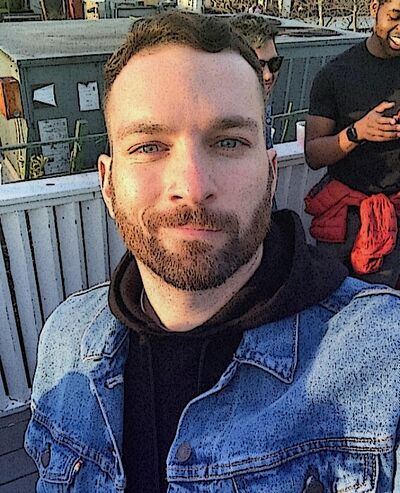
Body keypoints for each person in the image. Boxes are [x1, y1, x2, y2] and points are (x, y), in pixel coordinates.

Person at [24, 11, 400, 493]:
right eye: (148, 146)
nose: (194, 186)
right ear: (108, 183)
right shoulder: (64, 340)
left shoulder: (380, 355)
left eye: (228, 142)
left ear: (270, 175)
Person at [305, 0, 400, 287]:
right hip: (340, 217)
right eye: (395, 15)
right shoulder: (336, 73)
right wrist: (358, 132)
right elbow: (313, 154)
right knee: (329, 298)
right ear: (374, 8)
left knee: (378, 305)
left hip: (393, 219)